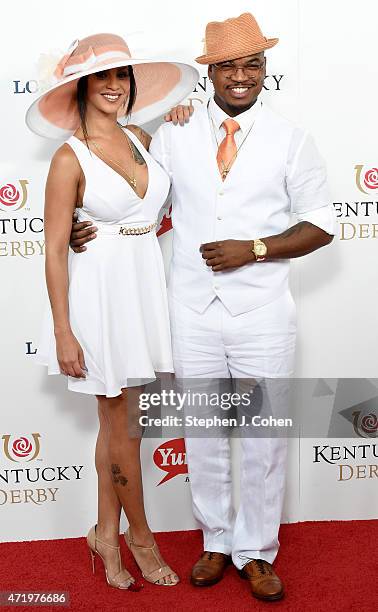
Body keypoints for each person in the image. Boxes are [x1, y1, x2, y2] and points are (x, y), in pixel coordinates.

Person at [70, 14, 335, 602]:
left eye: (252, 64)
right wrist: (80, 227)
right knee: (205, 434)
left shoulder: (293, 139)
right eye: (229, 66)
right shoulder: (174, 131)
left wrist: (257, 249)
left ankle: (257, 551)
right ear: (210, 72)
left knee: (263, 436)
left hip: (262, 311)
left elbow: (323, 224)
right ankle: (216, 542)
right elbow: (135, 198)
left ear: (266, 70)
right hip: (189, 308)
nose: (241, 76)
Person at [26, 33, 198, 590]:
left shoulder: (142, 136)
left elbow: (157, 208)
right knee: (125, 429)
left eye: (122, 76)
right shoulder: (66, 157)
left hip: (145, 288)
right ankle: (141, 540)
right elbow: (54, 248)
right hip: (99, 301)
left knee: (117, 430)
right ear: (80, 87)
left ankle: (105, 534)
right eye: (102, 78)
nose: (115, 87)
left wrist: (184, 115)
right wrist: (62, 331)